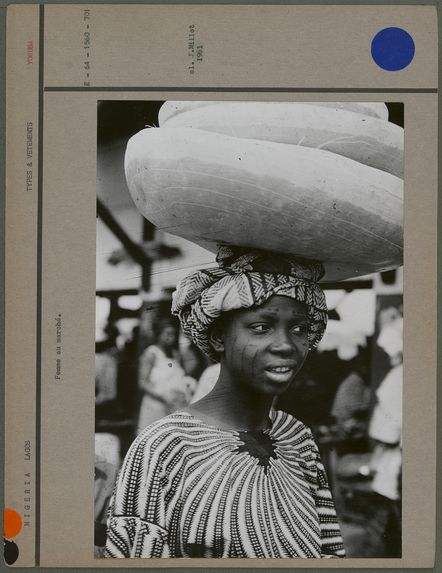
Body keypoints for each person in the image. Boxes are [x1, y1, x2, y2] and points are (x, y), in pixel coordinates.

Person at [105, 247, 346, 558]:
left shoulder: (297, 437)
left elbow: (330, 551)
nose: (286, 345)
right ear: (218, 336)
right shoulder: (164, 445)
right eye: (261, 327)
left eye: (299, 329)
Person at [137, 318, 196, 433]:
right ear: (159, 334)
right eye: (167, 334)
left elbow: (188, 369)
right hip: (155, 405)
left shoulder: (175, 354)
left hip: (174, 405)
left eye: (173, 334)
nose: (171, 337)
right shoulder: (151, 353)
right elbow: (142, 382)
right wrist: (163, 396)